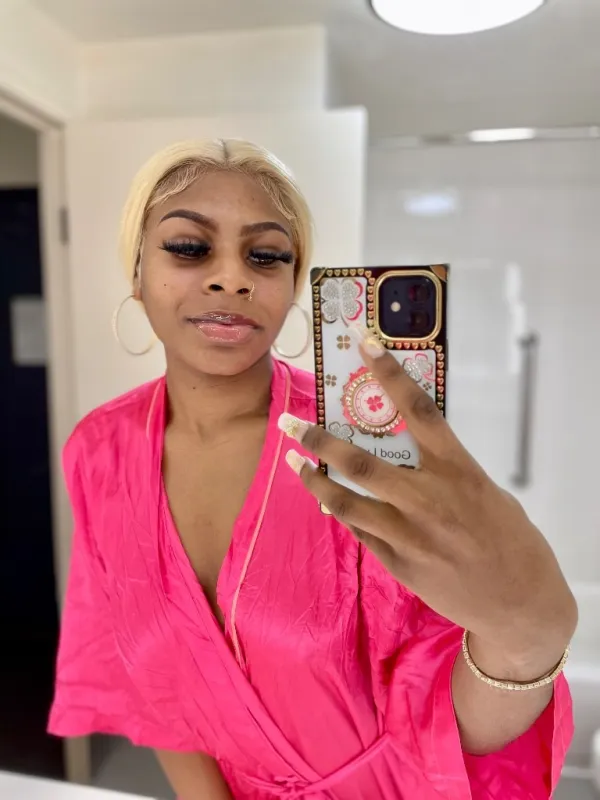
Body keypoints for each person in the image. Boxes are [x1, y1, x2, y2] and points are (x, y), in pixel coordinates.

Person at [49, 139, 576, 799]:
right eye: (188, 247)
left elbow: (440, 718)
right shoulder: (100, 450)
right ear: (135, 272)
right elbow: (159, 689)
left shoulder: (354, 446)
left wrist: (526, 637)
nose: (231, 277)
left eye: (266, 255)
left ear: (293, 285)